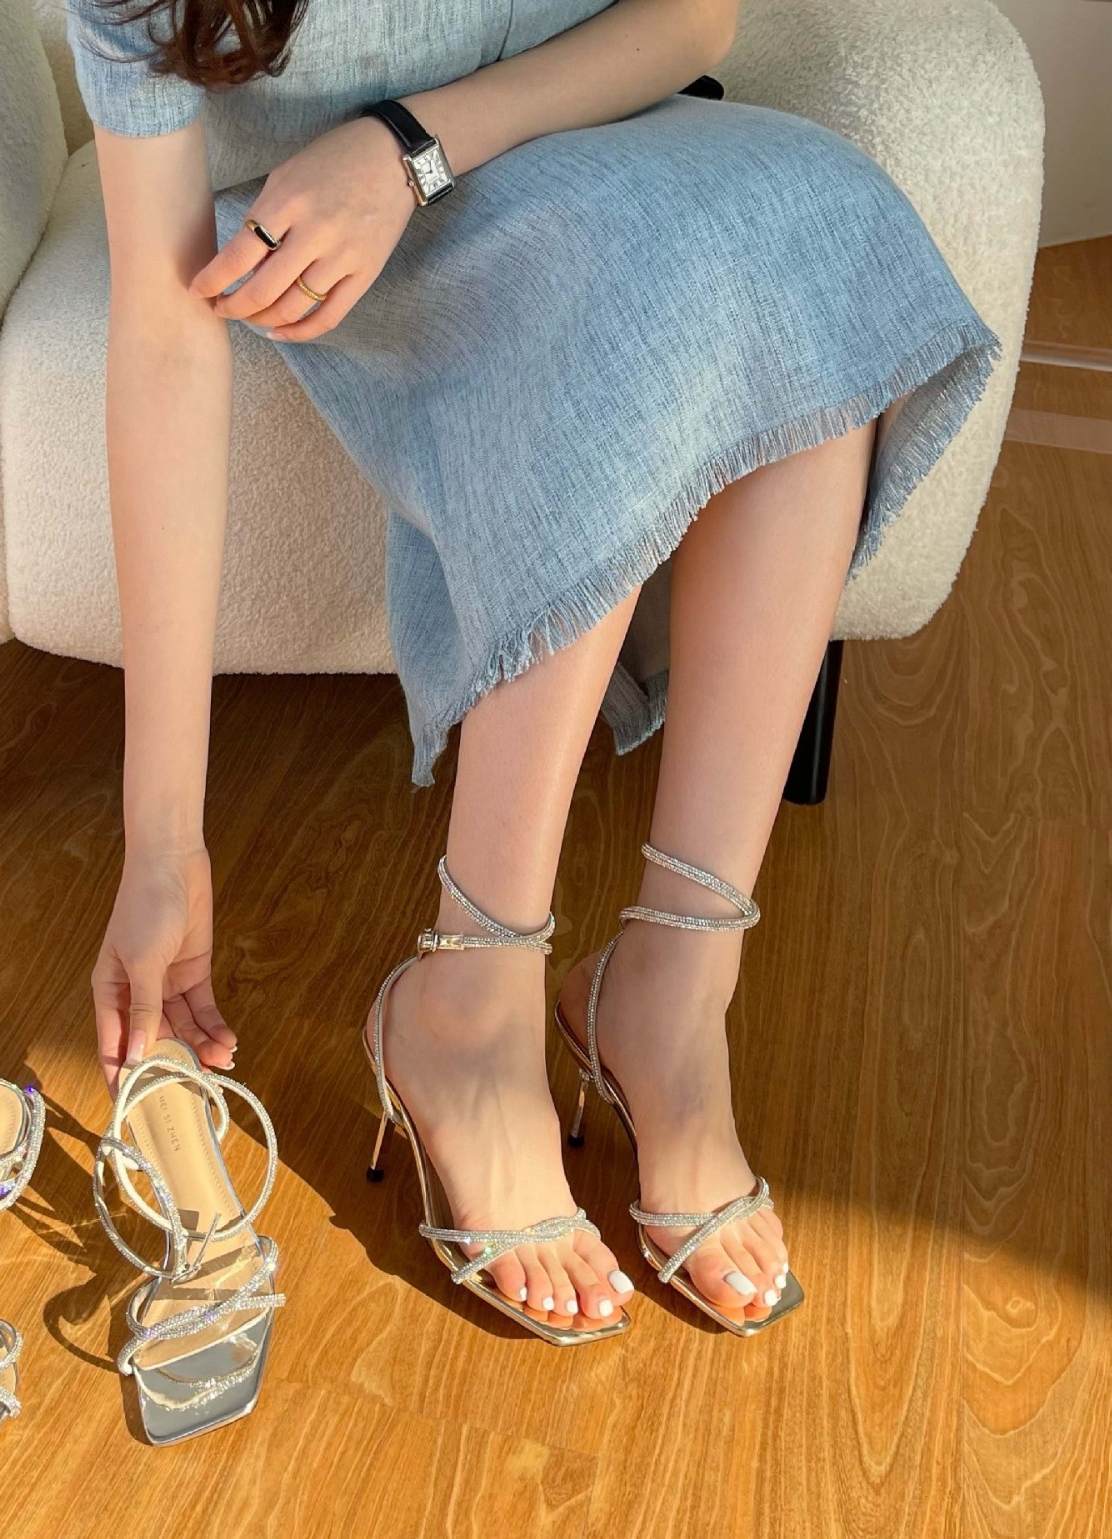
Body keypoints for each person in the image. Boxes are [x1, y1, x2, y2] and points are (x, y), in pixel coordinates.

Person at [76, 0, 999, 1337]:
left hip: (565, 118)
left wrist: (411, 146)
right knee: (630, 278)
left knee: (814, 215)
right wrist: (161, 843)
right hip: (325, 225)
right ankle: (470, 1000)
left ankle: (675, 989)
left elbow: (691, 17)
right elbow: (164, 331)